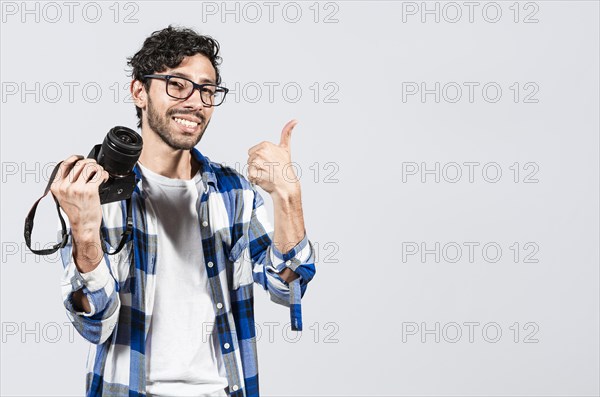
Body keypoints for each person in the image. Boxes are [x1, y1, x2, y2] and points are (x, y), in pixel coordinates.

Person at [51, 25, 316, 397]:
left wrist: (288, 195)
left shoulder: (234, 192)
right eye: (177, 84)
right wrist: (83, 233)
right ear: (139, 91)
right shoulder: (94, 193)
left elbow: (286, 285)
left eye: (207, 90)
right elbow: (94, 322)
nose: (195, 102)